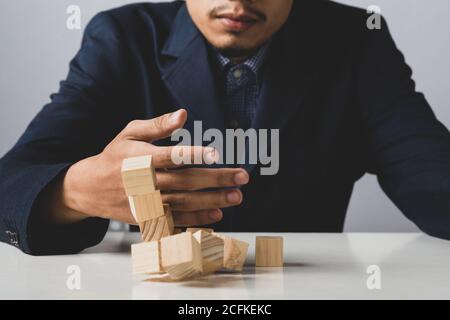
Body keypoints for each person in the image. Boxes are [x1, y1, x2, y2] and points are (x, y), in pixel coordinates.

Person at [1, 0, 450, 255]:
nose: (237, 1)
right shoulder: (122, 37)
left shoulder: (356, 39)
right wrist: (73, 191)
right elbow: (11, 184)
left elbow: (430, 173)